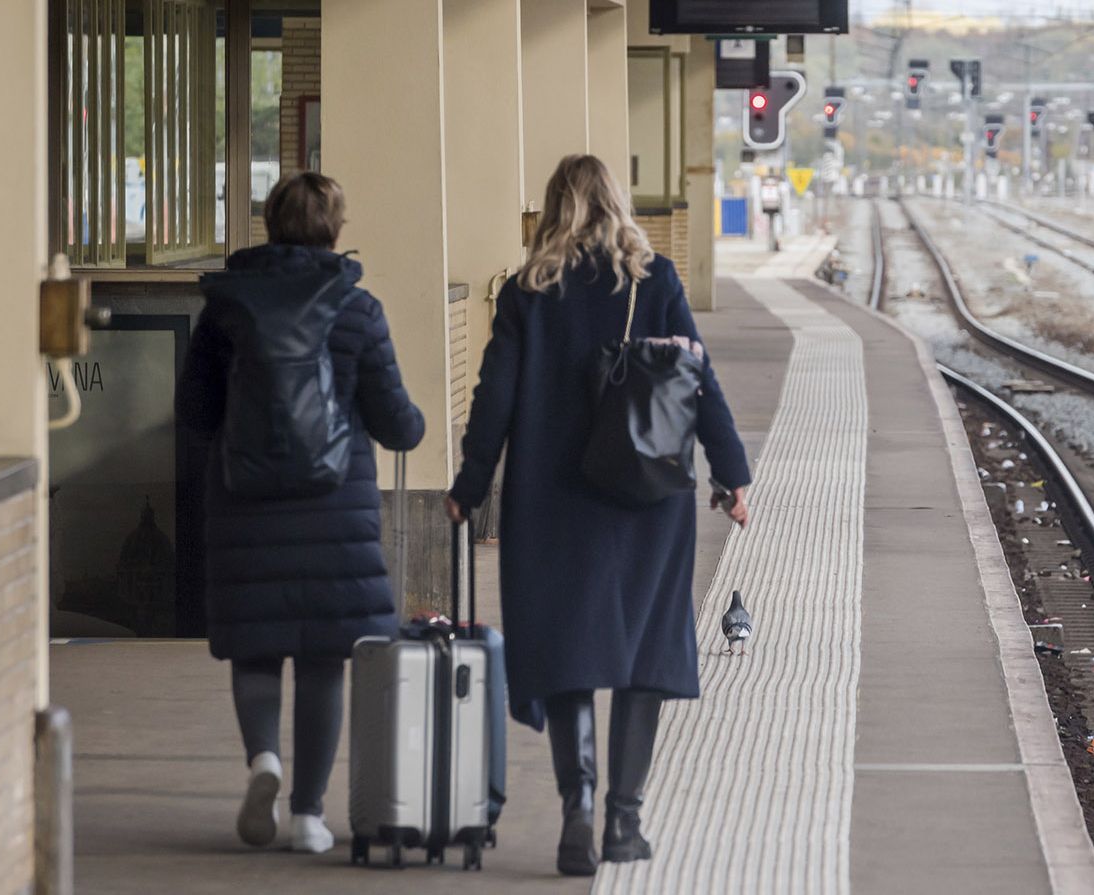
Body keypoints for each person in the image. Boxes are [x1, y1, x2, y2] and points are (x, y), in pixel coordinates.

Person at [447, 154, 751, 876]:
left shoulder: (530, 291)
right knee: (644, 651)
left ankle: (577, 806)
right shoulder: (657, 280)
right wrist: (732, 474)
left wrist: (468, 483)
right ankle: (624, 821)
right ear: (619, 204)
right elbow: (699, 381)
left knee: (568, 649)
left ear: (555, 210)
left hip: (554, 500)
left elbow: (494, 397)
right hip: (650, 497)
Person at [177, 172, 425, 854]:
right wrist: (415, 425)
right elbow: (395, 422)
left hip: (245, 508)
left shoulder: (226, 308)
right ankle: (309, 815)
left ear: (270, 223)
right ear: (335, 229)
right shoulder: (356, 308)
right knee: (323, 657)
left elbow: (192, 414)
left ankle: (264, 759)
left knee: (257, 647)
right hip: (333, 510)